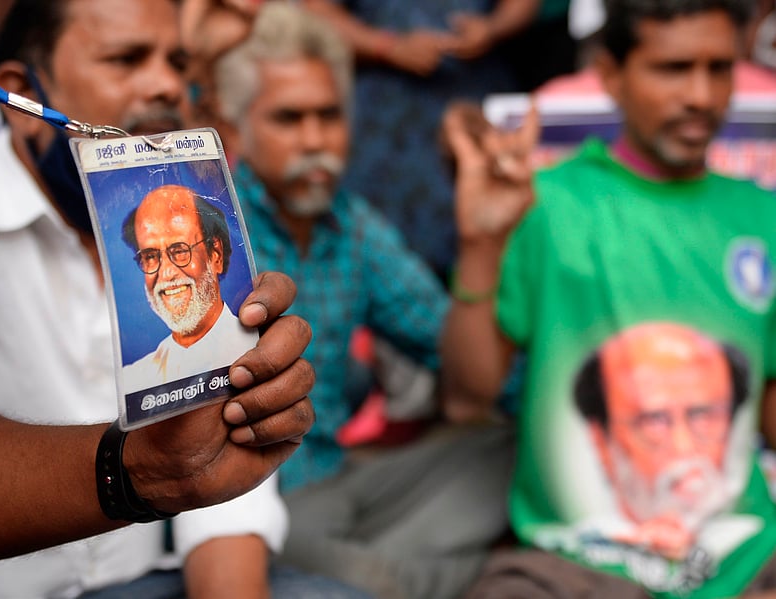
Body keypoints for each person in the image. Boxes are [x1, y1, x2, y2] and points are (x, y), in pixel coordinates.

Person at [0, 1, 352, 598]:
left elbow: (217, 491)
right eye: (127, 59)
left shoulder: (188, 227)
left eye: (178, 62)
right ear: (23, 96)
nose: (167, 85)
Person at [441, 0, 776, 596]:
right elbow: (468, 399)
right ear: (610, 74)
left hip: (749, 565)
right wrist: (481, 246)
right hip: (572, 568)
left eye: (719, 68)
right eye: (673, 69)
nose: (701, 95)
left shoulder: (762, 216)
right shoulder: (543, 205)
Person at [214, 4, 515, 598]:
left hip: (340, 481)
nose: (315, 140)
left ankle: (380, 577)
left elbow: (452, 352)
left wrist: (482, 245)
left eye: (329, 116)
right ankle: (459, 579)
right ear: (236, 130)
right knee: (359, 574)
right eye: (289, 118)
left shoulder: (353, 226)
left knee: (519, 447)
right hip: (247, 502)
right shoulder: (220, 230)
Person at [300, 0, 541, 281]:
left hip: (470, 94)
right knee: (370, 240)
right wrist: (387, 46)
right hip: (381, 116)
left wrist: (492, 28)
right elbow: (316, 10)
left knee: (482, 215)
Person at [573, 323, 750, 561]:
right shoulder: (571, 553)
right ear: (600, 441)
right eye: (654, 421)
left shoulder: (759, 548)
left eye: (703, 416)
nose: (684, 446)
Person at [120, 185, 258, 395]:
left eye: (180, 250)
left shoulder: (258, 350)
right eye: (150, 256)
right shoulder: (135, 382)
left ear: (216, 255)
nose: (166, 273)